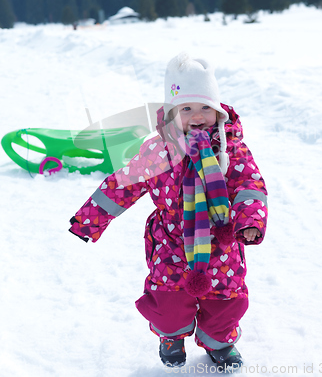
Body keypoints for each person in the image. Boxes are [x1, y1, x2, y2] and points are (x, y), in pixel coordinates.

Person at [69, 52, 268, 371]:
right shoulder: (159, 151)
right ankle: (171, 335)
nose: (198, 115)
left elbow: (249, 185)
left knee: (226, 302)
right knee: (167, 301)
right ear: (173, 113)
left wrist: (250, 221)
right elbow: (123, 184)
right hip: (170, 243)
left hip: (223, 244)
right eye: (187, 108)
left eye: (206, 107)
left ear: (217, 110)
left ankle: (219, 340)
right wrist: (89, 220)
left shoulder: (230, 151)